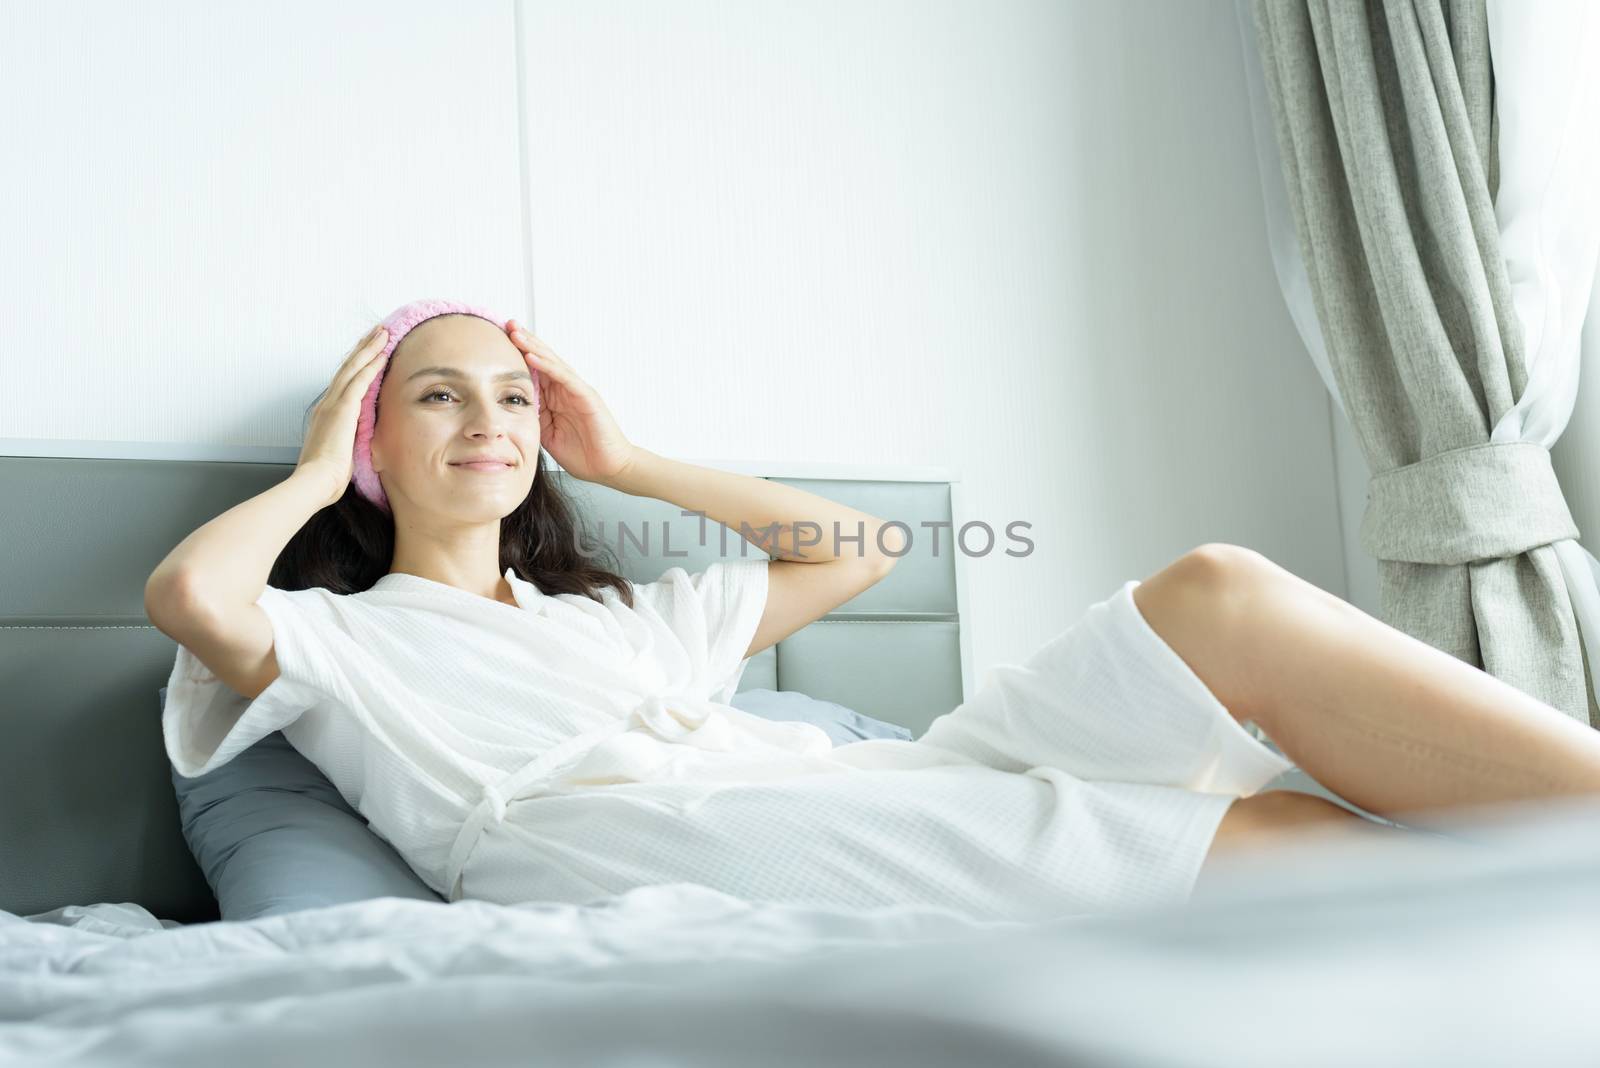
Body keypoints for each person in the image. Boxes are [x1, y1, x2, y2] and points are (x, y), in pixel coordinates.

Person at [145, 299, 1600, 921]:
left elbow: (857, 551)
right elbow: (190, 593)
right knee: (1294, 852)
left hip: (844, 783)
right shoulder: (337, 643)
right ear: (371, 446)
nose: (490, 420)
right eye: (438, 395)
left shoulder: (612, 622)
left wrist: (629, 456)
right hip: (647, 845)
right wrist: (306, 466)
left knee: (1214, 591)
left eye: (513, 397)